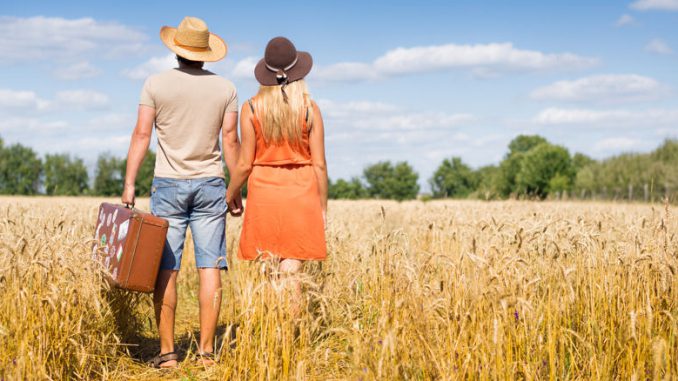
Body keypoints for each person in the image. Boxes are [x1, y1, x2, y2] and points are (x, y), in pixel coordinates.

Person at [121, 16, 242, 368]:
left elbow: (141, 135)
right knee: (210, 268)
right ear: (206, 52)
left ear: (176, 49)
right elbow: (230, 141)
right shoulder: (226, 89)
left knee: (167, 270)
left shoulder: (154, 84)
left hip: (168, 186)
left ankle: (168, 353)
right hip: (211, 185)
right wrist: (234, 189)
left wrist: (129, 183)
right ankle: (206, 353)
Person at [226, 37, 328, 311]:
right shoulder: (310, 108)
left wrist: (231, 192)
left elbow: (245, 164)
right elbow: (319, 164)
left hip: (265, 196)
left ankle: (273, 334)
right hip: (302, 194)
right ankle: (291, 341)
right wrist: (323, 207)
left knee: (270, 272)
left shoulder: (251, 107)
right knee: (292, 271)